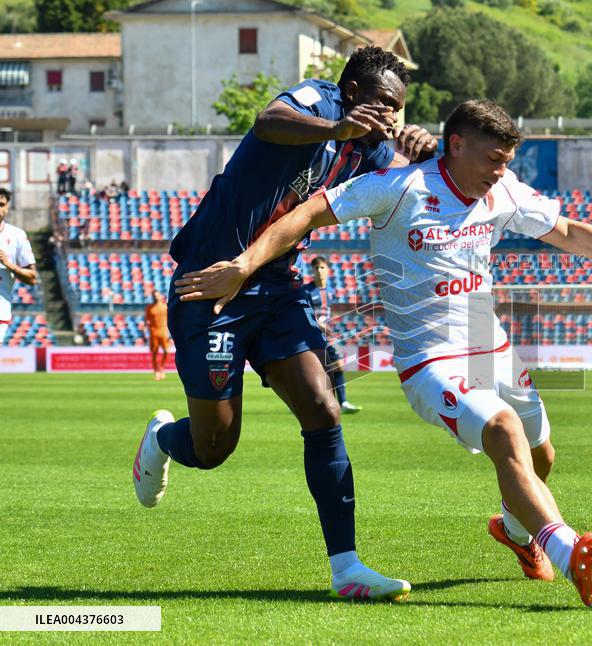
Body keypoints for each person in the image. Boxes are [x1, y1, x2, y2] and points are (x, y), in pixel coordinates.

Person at [174, 99, 592, 608]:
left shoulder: (504, 193)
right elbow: (308, 214)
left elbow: (569, 232)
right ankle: (570, 552)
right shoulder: (400, 186)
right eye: (493, 159)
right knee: (504, 432)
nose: (500, 171)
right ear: (455, 145)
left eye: (507, 161)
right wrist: (244, 264)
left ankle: (516, 531)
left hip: (491, 344)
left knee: (541, 454)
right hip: (430, 360)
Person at [131, 46, 437, 601]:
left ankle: (346, 569)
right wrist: (336, 126)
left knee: (323, 409)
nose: (392, 115)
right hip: (212, 285)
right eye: (385, 103)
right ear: (351, 93)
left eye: (400, 107)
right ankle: (161, 439)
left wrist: (424, 153)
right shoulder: (315, 100)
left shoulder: (370, 151)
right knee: (214, 447)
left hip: (276, 288)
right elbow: (268, 121)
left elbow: (412, 182)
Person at [305, 256, 362, 413]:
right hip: (310, 335)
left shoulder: (330, 291)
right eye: (316, 268)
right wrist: (318, 323)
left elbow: (329, 313)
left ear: (328, 270)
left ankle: (342, 402)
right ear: (312, 271)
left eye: (322, 268)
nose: (319, 271)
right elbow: (304, 313)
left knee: (337, 366)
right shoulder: (307, 291)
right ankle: (309, 401)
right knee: (310, 369)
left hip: (326, 336)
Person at [0, 189, 37, 345]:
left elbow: (32, 278)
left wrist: (9, 265)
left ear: (7, 207)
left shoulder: (17, 235)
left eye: (1, 205)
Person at [145, 290, 170, 381]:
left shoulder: (165, 307)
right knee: (155, 353)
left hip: (163, 332)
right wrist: (145, 332)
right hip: (153, 333)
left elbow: (169, 320)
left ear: (160, 296)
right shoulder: (149, 308)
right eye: (153, 295)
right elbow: (146, 321)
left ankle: (162, 368)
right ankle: (156, 371)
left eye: (157, 295)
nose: (155, 297)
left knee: (166, 351)